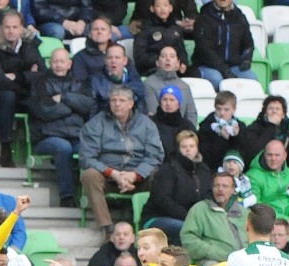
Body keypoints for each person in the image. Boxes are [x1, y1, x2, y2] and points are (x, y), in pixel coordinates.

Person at [79, 85, 164, 241]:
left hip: (138, 177)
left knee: (160, 175)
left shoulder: (146, 124)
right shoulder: (96, 123)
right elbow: (86, 157)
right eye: (113, 100)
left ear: (131, 103)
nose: (117, 104)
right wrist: (113, 173)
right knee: (89, 175)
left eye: (121, 100)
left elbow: (155, 155)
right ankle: (108, 228)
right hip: (108, 177)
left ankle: (146, 225)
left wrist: (135, 175)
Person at [27, 48, 95, 208]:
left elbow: (88, 106)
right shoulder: (40, 83)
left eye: (62, 61)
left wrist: (63, 98)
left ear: (69, 63)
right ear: (50, 63)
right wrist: (73, 106)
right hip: (47, 137)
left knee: (89, 149)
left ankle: (90, 197)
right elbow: (44, 110)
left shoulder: (79, 83)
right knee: (63, 148)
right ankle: (67, 196)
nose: (58, 65)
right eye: (55, 61)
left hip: (76, 136)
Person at [0, 12, 44, 167]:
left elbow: (42, 74)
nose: (11, 31)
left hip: (20, 94)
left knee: (40, 97)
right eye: (7, 27)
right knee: (8, 96)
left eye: (15, 27)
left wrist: (17, 76)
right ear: (1, 28)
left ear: (21, 29)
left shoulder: (30, 45)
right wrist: (27, 77)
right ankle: (6, 147)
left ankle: (37, 149)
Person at [142, 130, 211, 245]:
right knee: (186, 229)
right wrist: (189, 217)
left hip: (191, 219)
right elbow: (163, 200)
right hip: (158, 216)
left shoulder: (204, 170)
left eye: (191, 146)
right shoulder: (167, 169)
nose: (188, 149)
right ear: (178, 148)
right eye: (184, 146)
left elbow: (208, 196)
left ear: (197, 148)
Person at [180, 172, 248, 266]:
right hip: (213, 262)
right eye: (216, 185)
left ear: (233, 190)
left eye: (225, 186)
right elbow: (188, 238)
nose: (220, 189)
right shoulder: (199, 209)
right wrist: (211, 251)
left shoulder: (244, 213)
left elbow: (255, 237)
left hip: (244, 263)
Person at [246, 140, 289, 234]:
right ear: (264, 155)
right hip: (267, 222)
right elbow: (256, 205)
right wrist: (284, 220)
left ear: (285, 156)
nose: (273, 158)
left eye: (277, 155)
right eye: (269, 155)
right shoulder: (253, 176)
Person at [192, 0, 256, 90]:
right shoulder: (204, 17)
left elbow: (248, 44)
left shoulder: (240, 17)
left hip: (233, 66)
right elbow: (205, 49)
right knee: (216, 80)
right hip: (208, 66)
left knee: (251, 79)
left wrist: (247, 59)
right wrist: (224, 70)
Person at [241, 96, 289, 171]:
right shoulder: (254, 128)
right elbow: (252, 153)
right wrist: (271, 126)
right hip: (258, 170)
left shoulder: (287, 131)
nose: (274, 111)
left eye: (277, 109)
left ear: (283, 114)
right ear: (265, 113)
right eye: (270, 108)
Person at [134, 0, 193, 77]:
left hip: (175, 68)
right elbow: (140, 56)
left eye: (165, 5)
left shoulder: (176, 28)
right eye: (158, 6)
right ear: (152, 8)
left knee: (195, 73)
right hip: (153, 68)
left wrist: (183, 63)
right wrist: (160, 61)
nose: (162, 9)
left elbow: (181, 50)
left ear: (170, 8)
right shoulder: (144, 29)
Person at [143, 46, 197, 125]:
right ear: (157, 62)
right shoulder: (149, 83)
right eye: (163, 56)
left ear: (178, 64)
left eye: (172, 56)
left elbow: (191, 114)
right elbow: (153, 113)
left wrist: (188, 131)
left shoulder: (184, 86)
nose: (168, 59)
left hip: (182, 132)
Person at [90, 43, 146, 115]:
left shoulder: (134, 78)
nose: (113, 61)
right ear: (105, 60)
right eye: (110, 57)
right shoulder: (96, 80)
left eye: (117, 57)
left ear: (125, 60)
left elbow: (141, 106)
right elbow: (93, 110)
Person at [197, 91, 245, 174]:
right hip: (211, 171)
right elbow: (206, 156)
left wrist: (235, 137)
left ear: (234, 109)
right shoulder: (206, 127)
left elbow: (242, 152)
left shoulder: (240, 126)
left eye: (226, 109)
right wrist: (222, 138)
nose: (222, 113)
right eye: (219, 109)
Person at [150, 84, 197, 160]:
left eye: (172, 100)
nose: (168, 103)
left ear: (178, 104)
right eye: (164, 99)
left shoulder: (187, 125)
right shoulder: (150, 123)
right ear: (160, 102)